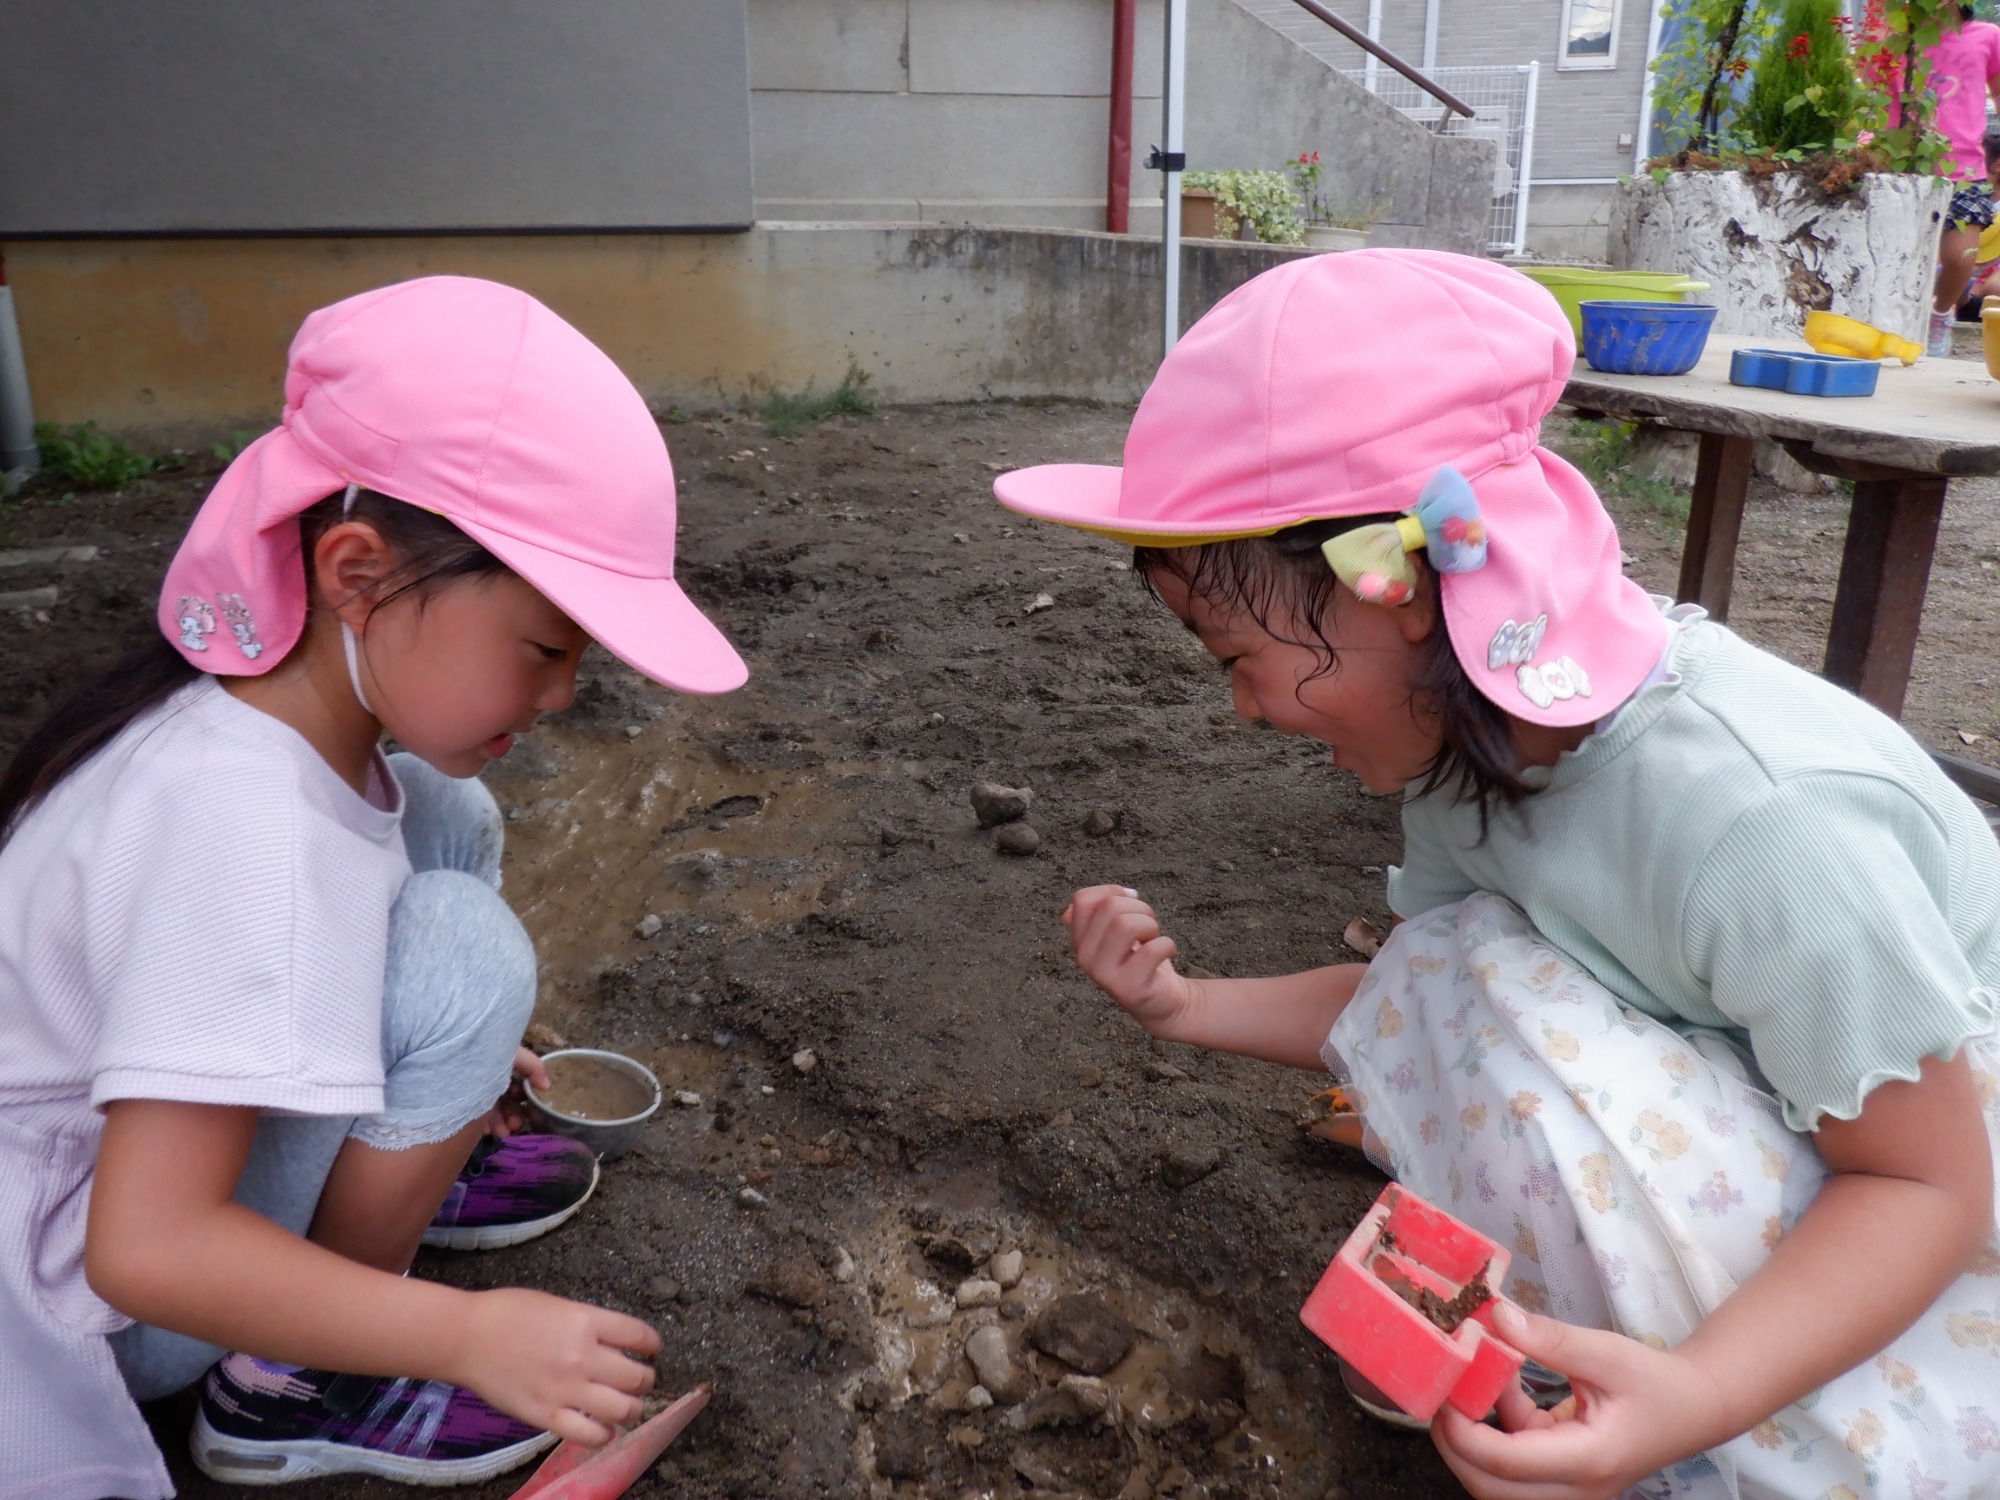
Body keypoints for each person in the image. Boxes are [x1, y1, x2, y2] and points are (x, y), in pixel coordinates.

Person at [994, 250, 2000, 1499]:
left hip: (1941, 1226)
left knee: (1511, 1022)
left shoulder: (1767, 819)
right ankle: (1611, 1357)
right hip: (1781, 1126)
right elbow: (1414, 994)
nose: (1243, 711)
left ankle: (1749, 1439)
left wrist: (1692, 1400)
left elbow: (1923, 1181)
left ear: (1402, 591)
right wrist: (1183, 1006)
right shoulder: (1476, 751)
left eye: (1234, 656)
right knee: (1464, 968)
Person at [0, 276, 748, 1497]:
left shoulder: (249, 721)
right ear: (356, 570)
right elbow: (147, 1248)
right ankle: (293, 1379)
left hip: (95, 1176)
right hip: (81, 1291)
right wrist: (465, 1334)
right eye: (545, 648)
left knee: (446, 816)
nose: (562, 695)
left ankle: (404, 1159)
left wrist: (442, 1065)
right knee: (464, 954)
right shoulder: (233, 819)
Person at [1920, 2, 2000, 355]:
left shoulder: (1987, 36)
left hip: (1963, 165)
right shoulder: (1899, 39)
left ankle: (1939, 316)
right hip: (1901, 163)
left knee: (1959, 256)